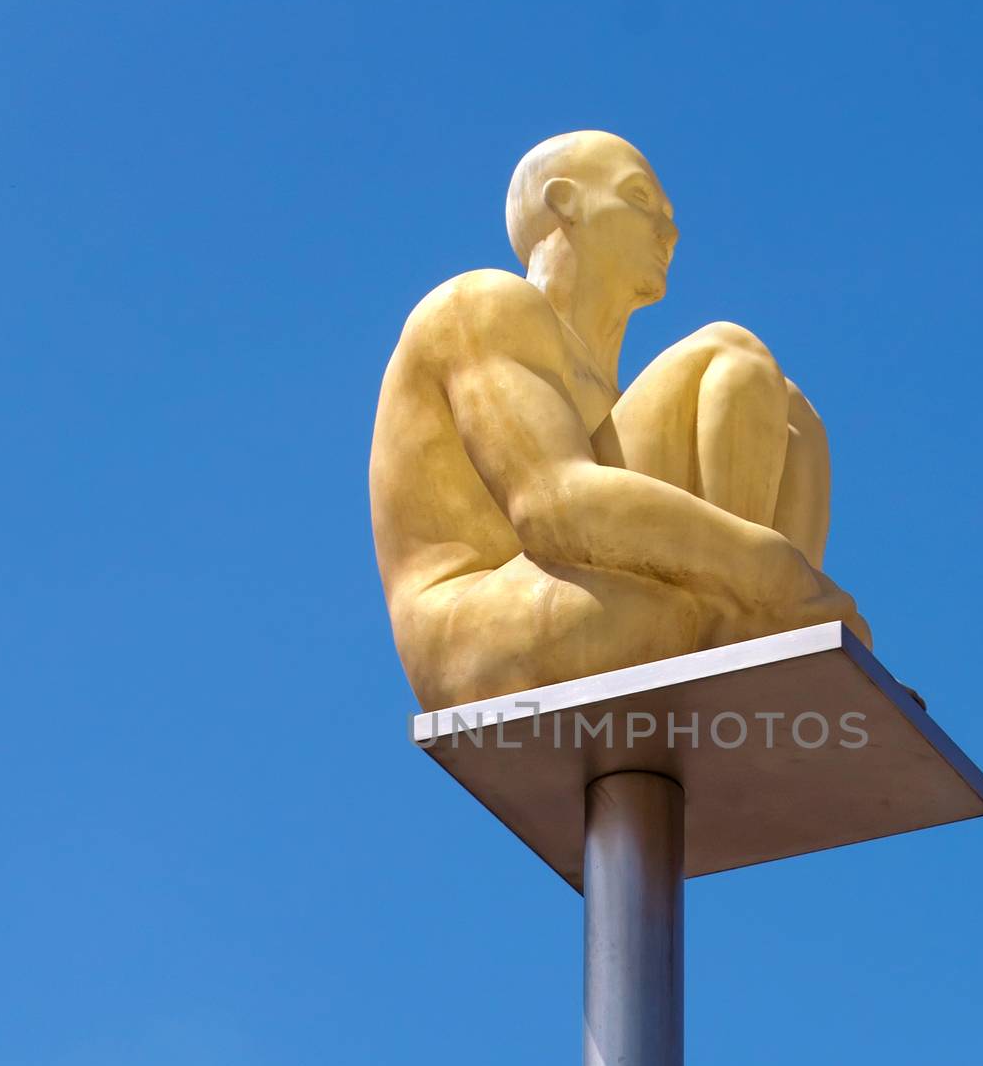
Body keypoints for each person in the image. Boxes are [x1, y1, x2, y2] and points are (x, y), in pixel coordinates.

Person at [370, 130, 870, 710]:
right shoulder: (481, 303)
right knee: (731, 358)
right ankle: (754, 622)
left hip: (574, 592)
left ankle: (764, 633)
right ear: (565, 201)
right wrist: (779, 576)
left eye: (669, 214)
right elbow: (554, 505)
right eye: (639, 198)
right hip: (481, 633)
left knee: (789, 413)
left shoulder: (606, 397)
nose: (670, 232)